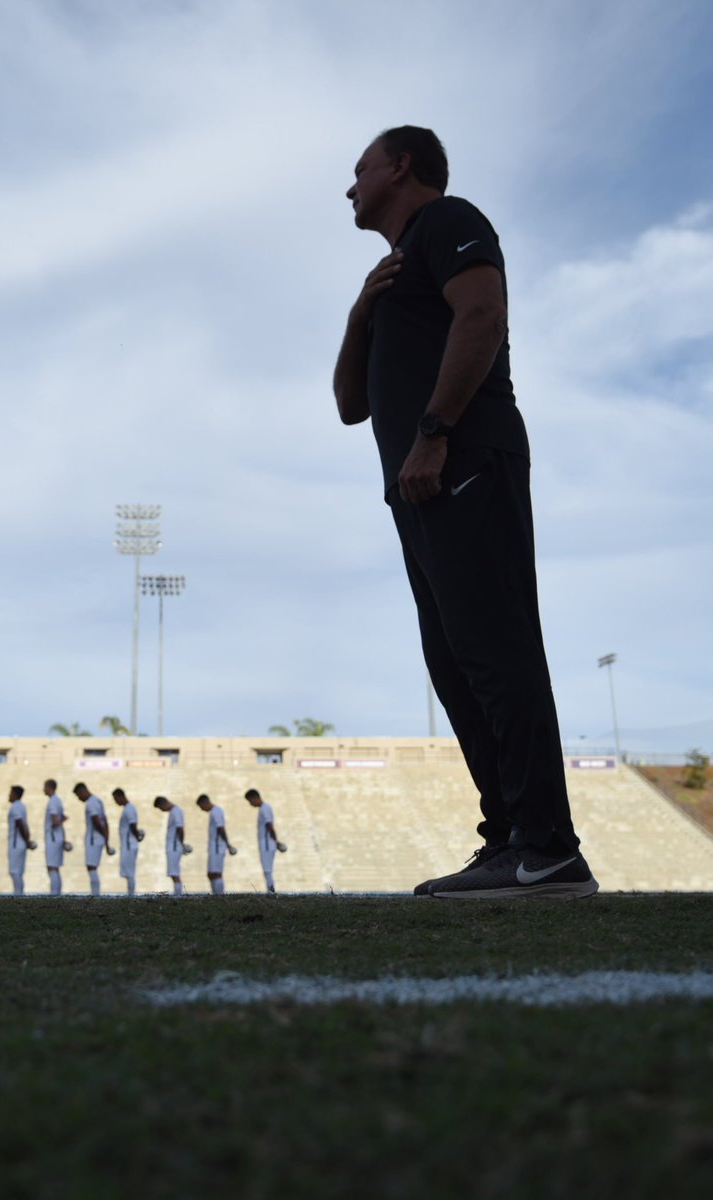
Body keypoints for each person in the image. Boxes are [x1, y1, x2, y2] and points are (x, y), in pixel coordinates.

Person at [334, 125, 597, 900]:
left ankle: (548, 848)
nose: (349, 187)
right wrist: (358, 315)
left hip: (461, 459)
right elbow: (349, 404)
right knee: (454, 663)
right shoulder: (388, 277)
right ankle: (510, 840)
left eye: (360, 169)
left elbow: (482, 314)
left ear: (400, 166)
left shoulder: (447, 221)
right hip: (418, 486)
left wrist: (434, 433)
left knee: (494, 648)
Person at [244, 789, 287, 894]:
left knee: (267, 870)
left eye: (250, 801)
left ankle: (271, 893)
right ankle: (271, 892)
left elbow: (269, 825)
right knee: (267, 871)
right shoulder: (263, 808)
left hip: (267, 843)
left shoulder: (265, 808)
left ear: (255, 798)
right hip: (267, 843)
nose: (250, 804)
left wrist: (276, 842)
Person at [73, 782, 113, 896]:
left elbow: (96, 821)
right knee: (92, 866)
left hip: (93, 839)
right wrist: (106, 839)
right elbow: (105, 821)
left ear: (82, 791)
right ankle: (95, 893)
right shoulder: (98, 801)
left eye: (78, 795)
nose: (79, 799)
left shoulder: (91, 803)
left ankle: (95, 894)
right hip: (98, 838)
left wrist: (104, 837)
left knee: (91, 867)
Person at [196, 793, 236, 896]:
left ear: (205, 803)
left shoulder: (216, 811)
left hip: (217, 847)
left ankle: (219, 896)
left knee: (216, 873)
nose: (202, 809)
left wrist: (228, 844)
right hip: (214, 847)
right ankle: (216, 894)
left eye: (201, 807)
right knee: (210, 874)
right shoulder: (214, 812)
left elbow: (221, 828)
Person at [153, 795, 190, 897]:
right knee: (173, 873)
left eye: (160, 808)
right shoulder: (174, 811)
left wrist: (181, 843)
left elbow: (180, 828)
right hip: (173, 845)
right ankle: (177, 894)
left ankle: (178, 895)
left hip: (174, 846)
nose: (162, 810)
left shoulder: (176, 811)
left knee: (174, 873)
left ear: (163, 804)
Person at [112, 787, 144, 897]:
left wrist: (137, 836)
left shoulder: (129, 808)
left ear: (120, 796)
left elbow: (133, 824)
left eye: (115, 799)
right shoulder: (127, 808)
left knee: (129, 872)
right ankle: (130, 894)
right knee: (127, 872)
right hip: (127, 844)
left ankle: (131, 895)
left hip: (129, 844)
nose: (116, 802)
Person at [7, 785, 37, 896]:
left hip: (16, 843)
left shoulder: (15, 806)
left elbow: (19, 823)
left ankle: (18, 894)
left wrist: (26, 840)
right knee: (18, 872)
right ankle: (19, 894)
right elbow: (24, 825)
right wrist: (27, 840)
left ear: (15, 794)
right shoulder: (22, 806)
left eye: (11, 793)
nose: (9, 795)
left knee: (14, 871)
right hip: (21, 842)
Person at [43, 779, 70, 896]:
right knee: (55, 867)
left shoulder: (53, 801)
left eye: (45, 787)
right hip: (57, 837)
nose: (43, 789)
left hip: (53, 837)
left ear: (49, 787)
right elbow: (62, 817)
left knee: (52, 867)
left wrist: (59, 821)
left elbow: (55, 820)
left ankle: (54, 894)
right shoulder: (58, 800)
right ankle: (57, 893)